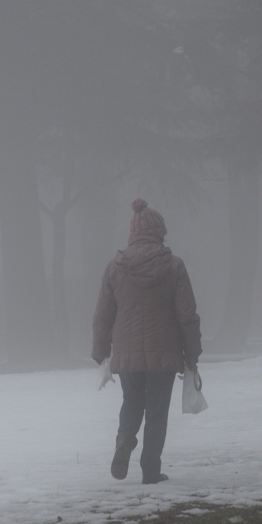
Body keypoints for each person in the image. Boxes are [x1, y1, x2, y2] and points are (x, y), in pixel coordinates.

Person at [92, 198, 202, 484]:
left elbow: (103, 314)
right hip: (164, 353)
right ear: (159, 232)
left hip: (127, 354)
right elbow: (187, 314)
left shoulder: (114, 268)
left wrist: (100, 351)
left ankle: (125, 441)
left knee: (131, 402)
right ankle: (151, 471)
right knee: (156, 411)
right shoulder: (174, 266)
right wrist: (192, 351)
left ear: (132, 233)